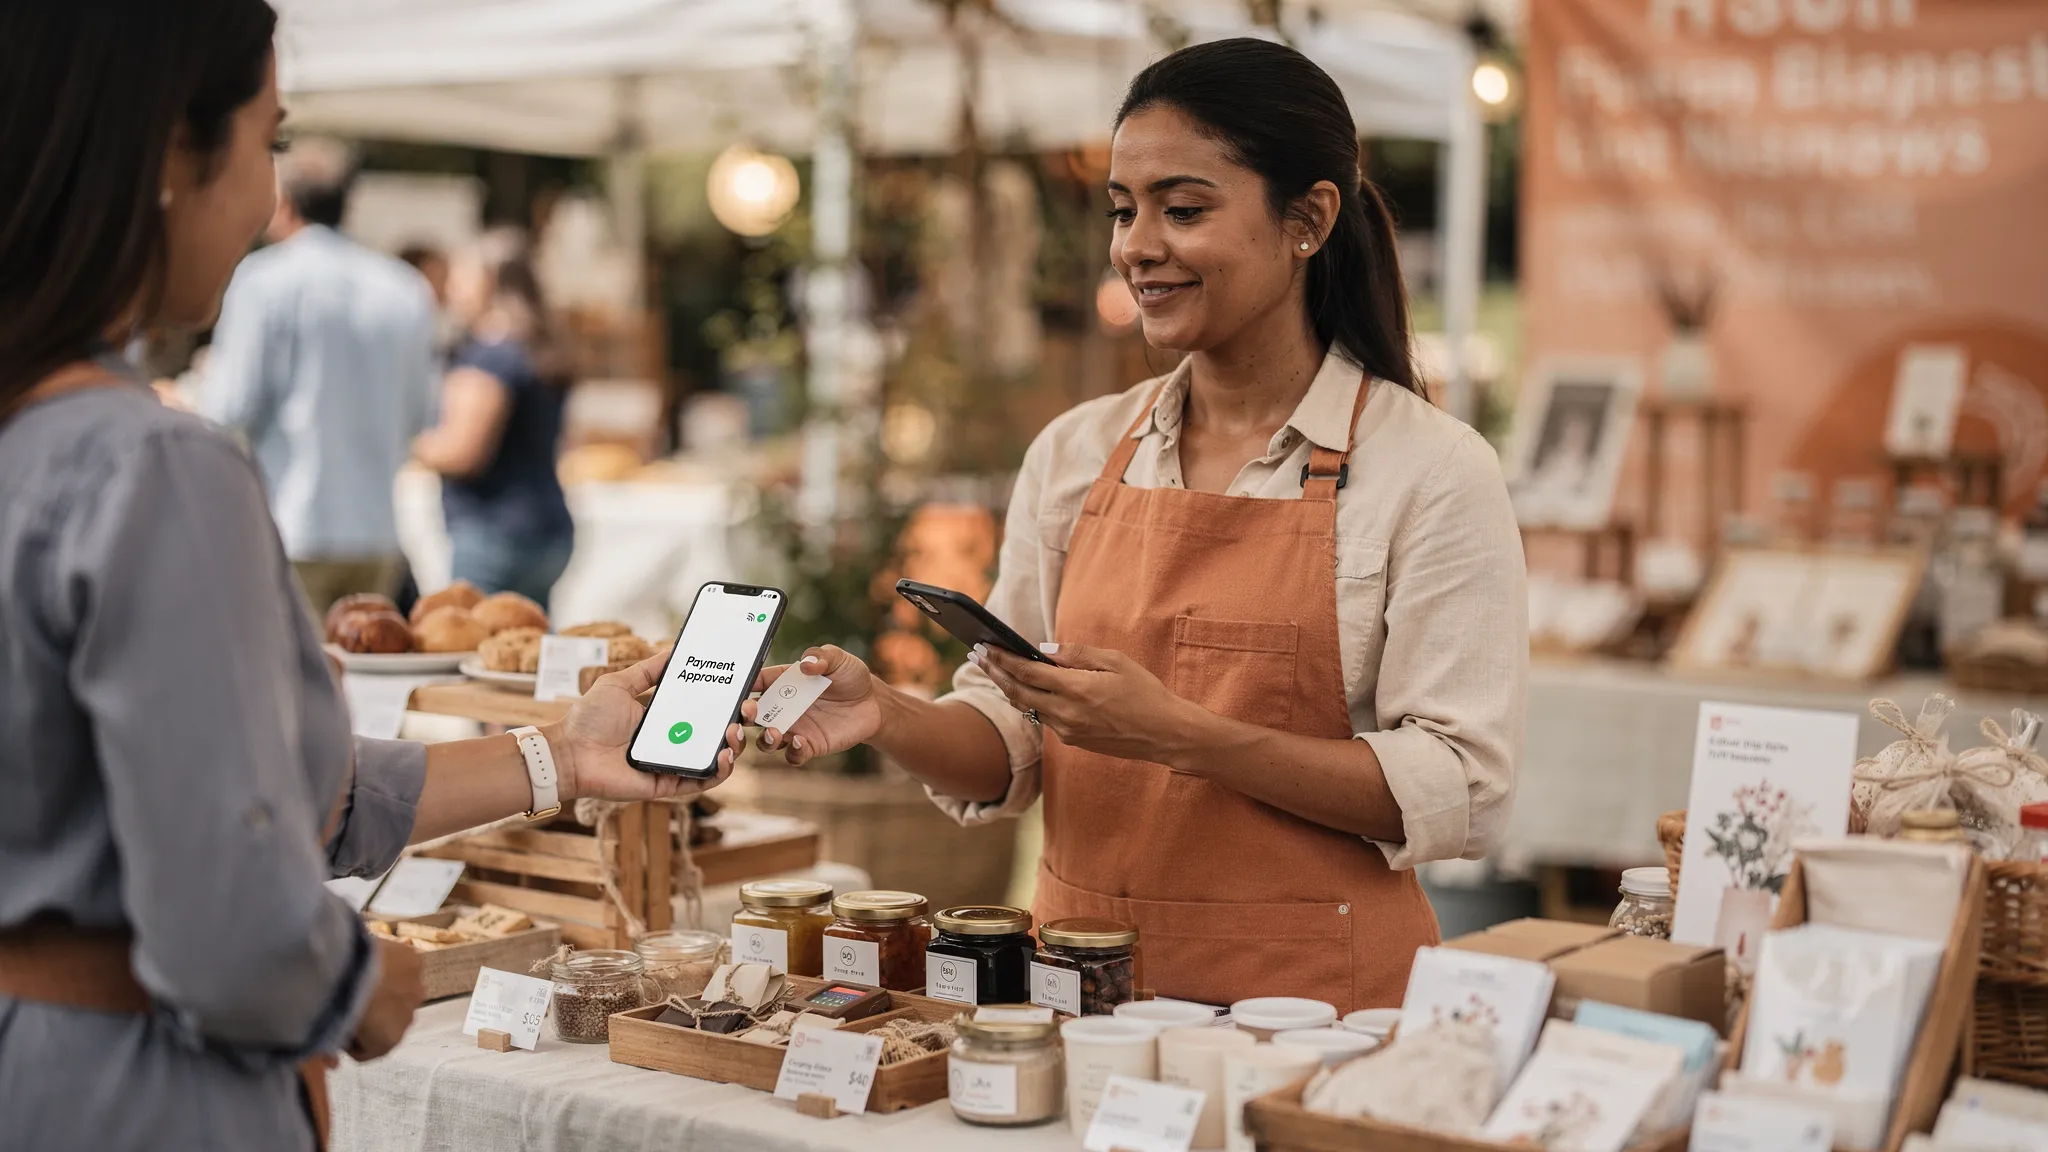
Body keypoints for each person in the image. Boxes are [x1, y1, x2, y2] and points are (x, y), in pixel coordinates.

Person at [0, 4, 740, 1148]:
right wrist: (358, 981)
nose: (264, 199)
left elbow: (279, 790)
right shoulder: (151, 464)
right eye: (268, 140)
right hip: (138, 1098)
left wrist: (563, 755)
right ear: (165, 157)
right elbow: (232, 923)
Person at [726, 39, 1527, 1012]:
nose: (1134, 244)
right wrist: (885, 716)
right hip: (1076, 998)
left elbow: (1462, 787)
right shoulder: (1074, 452)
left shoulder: (1430, 472)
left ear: (1308, 219)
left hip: (1313, 1018)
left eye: (1182, 209)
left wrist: (1181, 736)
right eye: (1122, 209)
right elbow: (1008, 736)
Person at [197, 135, 439, 614]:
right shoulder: (403, 286)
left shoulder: (264, 281)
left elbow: (227, 408)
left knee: (288, 683)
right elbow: (421, 414)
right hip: (375, 530)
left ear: (282, 202)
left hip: (292, 524)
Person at [412, 230, 576, 608]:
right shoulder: (536, 348)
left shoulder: (489, 356)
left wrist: (404, 442)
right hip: (544, 525)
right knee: (526, 653)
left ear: (488, 282)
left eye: (461, 276)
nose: (452, 289)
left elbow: (462, 452)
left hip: (493, 529)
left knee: (480, 652)